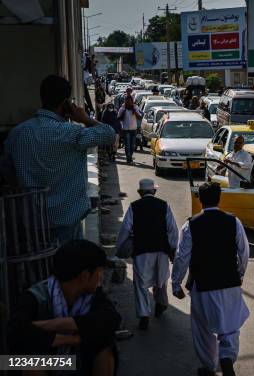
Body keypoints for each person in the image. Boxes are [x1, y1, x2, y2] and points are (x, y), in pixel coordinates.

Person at [3, 75, 115, 245]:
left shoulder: (17, 134)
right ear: (66, 104)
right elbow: (109, 134)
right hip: (67, 224)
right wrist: (84, 118)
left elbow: (6, 170)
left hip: (31, 225)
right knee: (69, 269)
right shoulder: (71, 134)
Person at [7, 240, 121, 375]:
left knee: (105, 347)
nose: (101, 277)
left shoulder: (93, 296)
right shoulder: (35, 296)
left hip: (76, 361)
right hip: (54, 363)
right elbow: (14, 334)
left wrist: (54, 324)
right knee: (28, 362)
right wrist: (72, 339)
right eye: (99, 271)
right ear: (85, 276)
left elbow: (112, 319)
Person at [172, 182, 250, 376]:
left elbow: (182, 257)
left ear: (199, 198)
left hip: (203, 285)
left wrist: (176, 284)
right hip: (230, 283)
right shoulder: (234, 222)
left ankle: (208, 365)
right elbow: (244, 252)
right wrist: (239, 274)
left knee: (203, 329)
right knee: (230, 326)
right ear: (219, 198)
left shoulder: (190, 225)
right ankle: (226, 358)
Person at [116, 178, 178, 330]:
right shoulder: (164, 205)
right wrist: (172, 249)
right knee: (161, 279)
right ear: (154, 191)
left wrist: (120, 247)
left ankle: (144, 314)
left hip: (142, 251)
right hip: (162, 250)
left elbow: (125, 229)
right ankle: (161, 304)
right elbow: (172, 230)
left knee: (141, 284)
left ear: (139, 192)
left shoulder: (134, 207)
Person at [117, 94, 142, 164]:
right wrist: (123, 113)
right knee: (127, 145)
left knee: (132, 145)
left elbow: (140, 117)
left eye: (130, 100)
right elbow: (118, 118)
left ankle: (130, 156)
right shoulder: (122, 108)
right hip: (126, 129)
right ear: (125, 101)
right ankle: (129, 158)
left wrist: (135, 111)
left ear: (132, 101)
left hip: (134, 129)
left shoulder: (135, 107)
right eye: (127, 100)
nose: (129, 102)